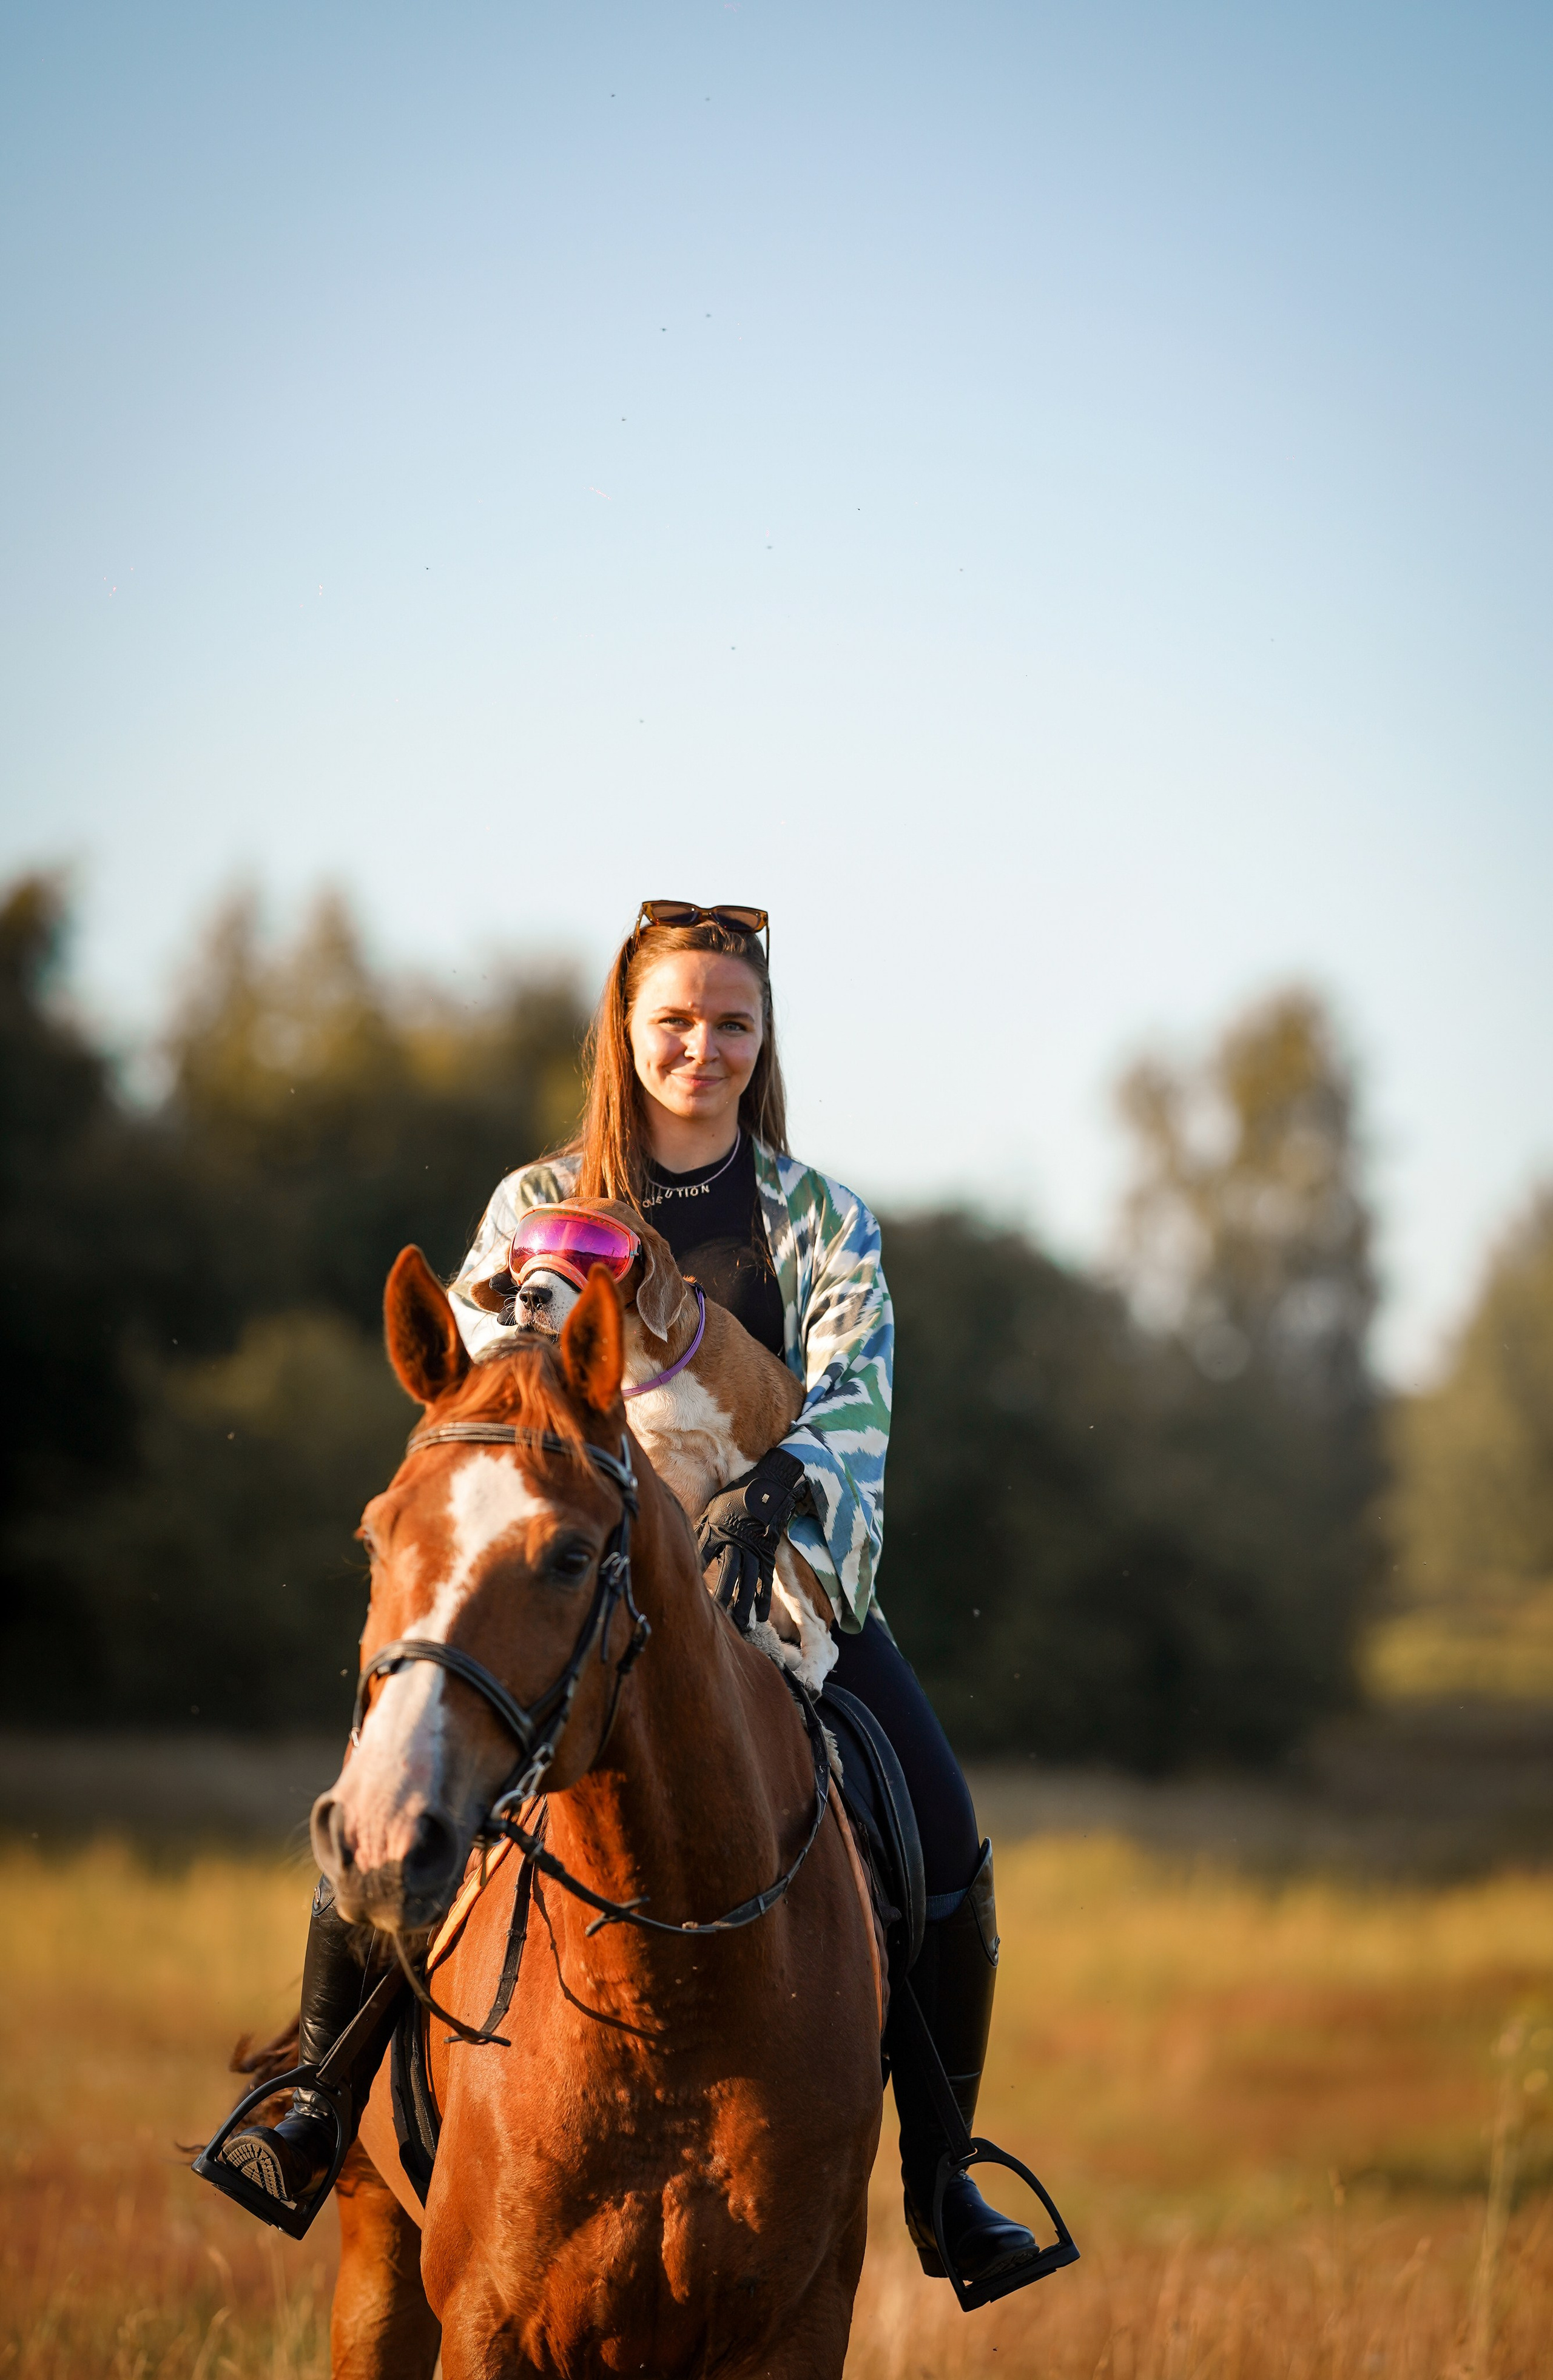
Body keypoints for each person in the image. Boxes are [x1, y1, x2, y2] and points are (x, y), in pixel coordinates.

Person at [211, 899, 1041, 2295]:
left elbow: (856, 1404)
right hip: (566, 1596)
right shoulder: (535, 1213)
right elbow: (482, 1398)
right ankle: (313, 2100)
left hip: (775, 1599)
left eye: (731, 1024)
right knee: (388, 1785)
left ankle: (943, 2174)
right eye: (675, 1020)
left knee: (942, 1836)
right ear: (627, 1030)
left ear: (761, 1039)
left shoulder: (824, 1222)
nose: (701, 1048)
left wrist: (788, 1490)